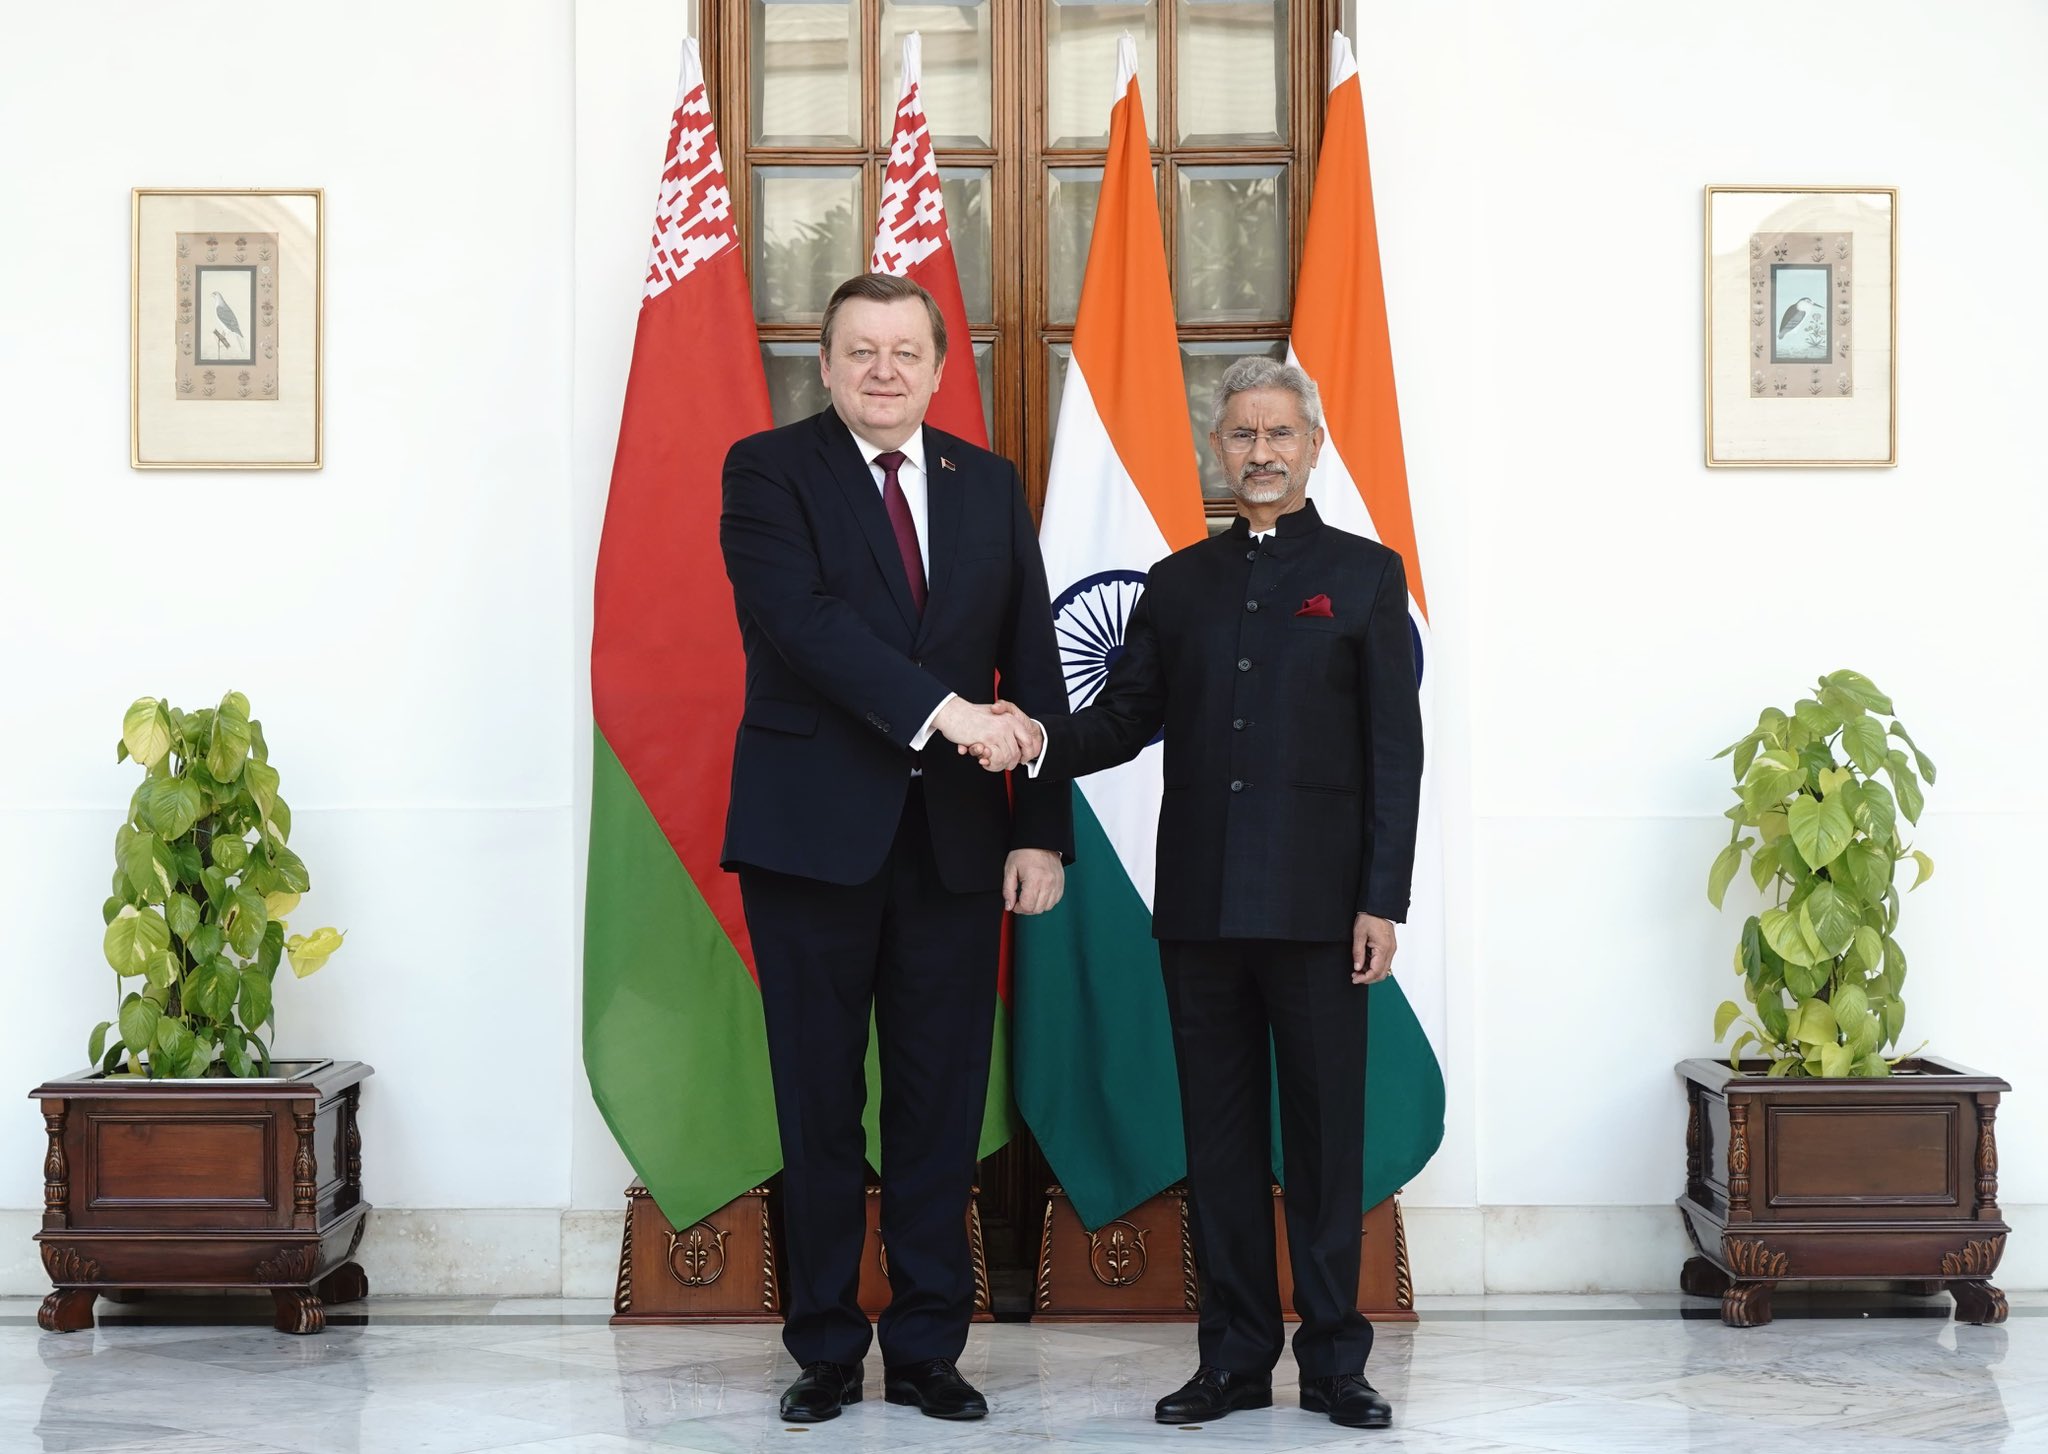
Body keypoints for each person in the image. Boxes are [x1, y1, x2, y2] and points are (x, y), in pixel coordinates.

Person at [976, 357, 1423, 1431]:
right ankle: (1229, 1356)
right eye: (1239, 434)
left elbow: (1393, 755)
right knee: (1217, 1143)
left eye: (1278, 433)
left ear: (1311, 447)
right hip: (1200, 913)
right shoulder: (1176, 584)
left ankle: (1332, 1363)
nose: (1259, 452)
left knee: (1323, 1144)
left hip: (1324, 915)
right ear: (1214, 451)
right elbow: (1121, 718)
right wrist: (1031, 736)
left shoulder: (1365, 576)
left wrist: (1381, 899)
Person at [719, 273, 1071, 1423]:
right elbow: (805, 627)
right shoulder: (766, 471)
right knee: (816, 1100)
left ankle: (926, 1345)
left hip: (956, 848)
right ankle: (824, 1344)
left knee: (937, 1102)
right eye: (859, 350)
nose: (882, 368)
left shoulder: (990, 482)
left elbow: (1034, 661)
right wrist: (948, 713)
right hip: (810, 840)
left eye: (904, 350)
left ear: (933, 365)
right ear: (824, 365)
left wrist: (1040, 828)